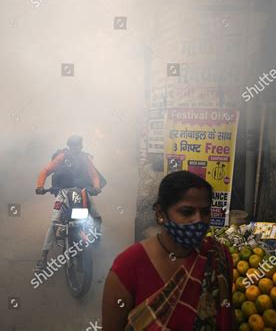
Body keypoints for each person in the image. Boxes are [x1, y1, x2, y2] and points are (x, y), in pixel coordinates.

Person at [102, 171, 234, 330]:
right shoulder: (128, 266)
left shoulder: (217, 256)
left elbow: (226, 316)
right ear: (160, 214)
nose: (198, 220)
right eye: (187, 212)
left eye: (205, 212)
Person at [34, 135, 104, 271]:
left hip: (82, 191)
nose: (75, 149)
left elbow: (93, 174)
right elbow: (46, 170)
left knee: (96, 216)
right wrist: (40, 186)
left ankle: (96, 235)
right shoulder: (61, 157)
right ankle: (43, 256)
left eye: (78, 146)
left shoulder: (85, 158)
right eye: (73, 146)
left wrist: (96, 186)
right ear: (68, 146)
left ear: (81, 146)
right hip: (63, 193)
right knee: (54, 223)